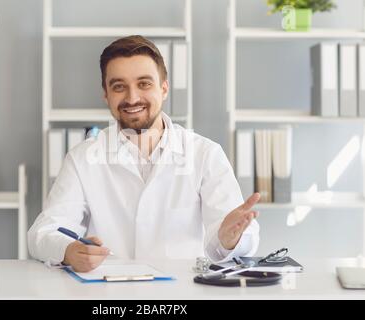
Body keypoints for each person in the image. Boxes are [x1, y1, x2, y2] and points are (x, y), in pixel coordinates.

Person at [28, 35, 260, 272]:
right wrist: (67, 250)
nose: (132, 98)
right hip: (108, 296)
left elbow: (238, 238)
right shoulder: (82, 158)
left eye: (144, 84)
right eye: (119, 87)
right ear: (106, 94)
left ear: (164, 88)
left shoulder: (205, 154)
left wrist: (228, 238)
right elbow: (42, 234)